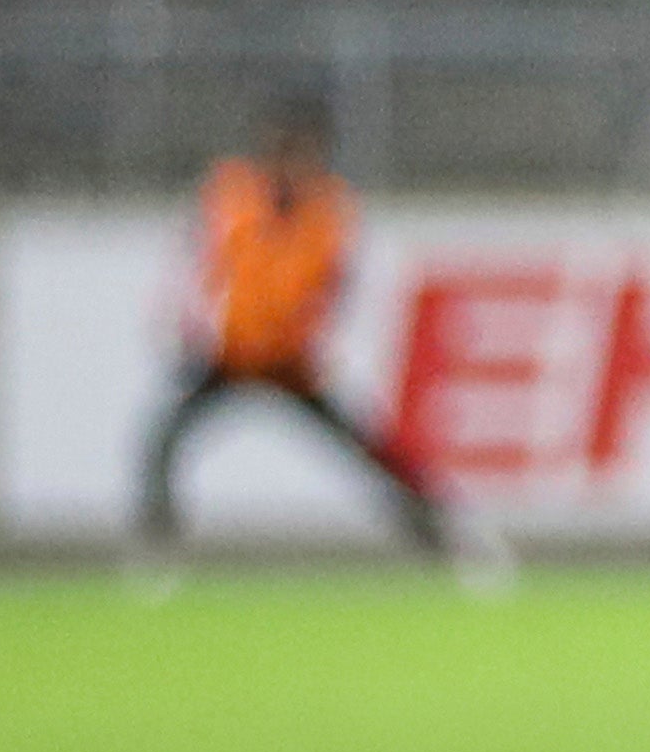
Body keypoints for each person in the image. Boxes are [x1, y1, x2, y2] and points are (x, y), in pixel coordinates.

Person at [136, 96, 462, 566]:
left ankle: (440, 537)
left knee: (373, 449)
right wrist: (182, 320)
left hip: (292, 361)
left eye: (301, 152)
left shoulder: (329, 211)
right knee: (164, 438)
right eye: (282, 151)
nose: (290, 164)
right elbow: (194, 261)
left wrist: (327, 345)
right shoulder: (232, 195)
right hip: (232, 352)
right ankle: (158, 548)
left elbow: (338, 286)